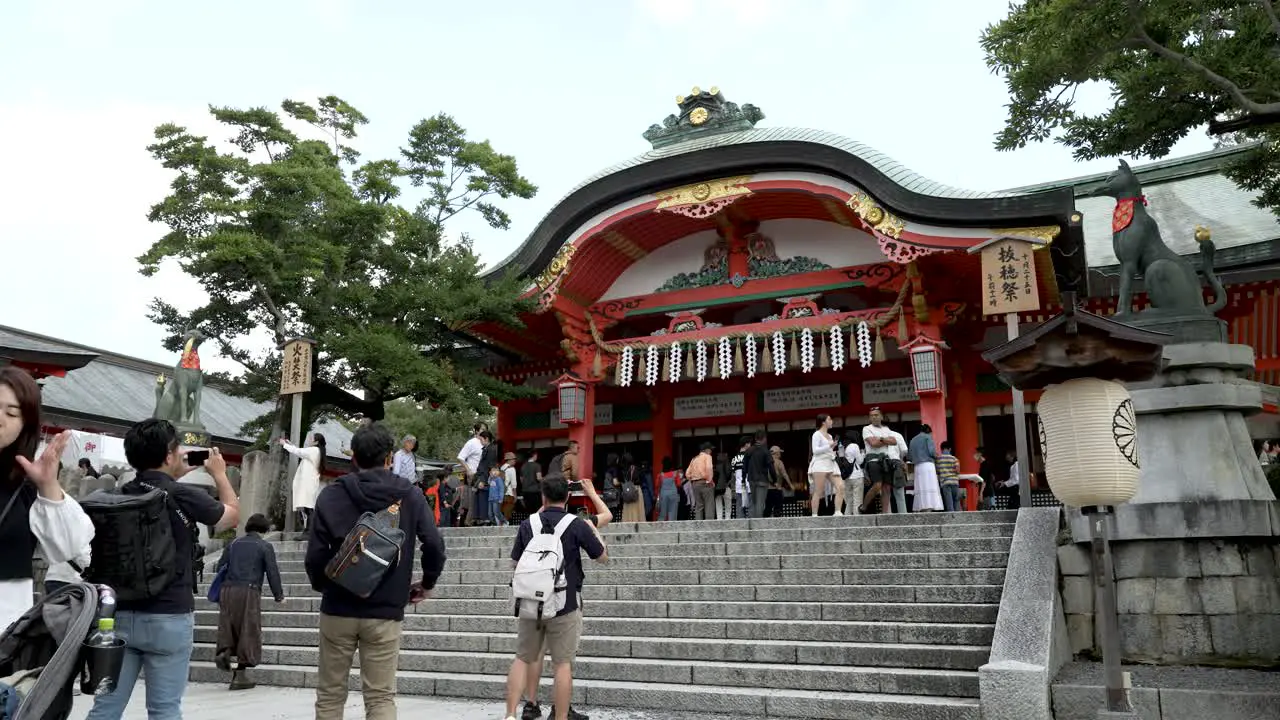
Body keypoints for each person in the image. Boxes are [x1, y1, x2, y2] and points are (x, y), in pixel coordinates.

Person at [86, 418, 239, 720]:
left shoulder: (115, 496)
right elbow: (230, 518)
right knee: (165, 709)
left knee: (106, 708)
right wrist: (219, 475)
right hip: (169, 615)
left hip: (117, 617)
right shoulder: (180, 495)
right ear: (169, 455)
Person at [305, 423, 447, 720]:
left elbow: (315, 554)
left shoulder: (331, 495)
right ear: (389, 458)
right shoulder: (409, 495)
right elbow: (433, 543)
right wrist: (428, 582)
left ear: (353, 457)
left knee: (330, 694)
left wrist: (327, 585)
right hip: (385, 609)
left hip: (337, 608)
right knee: (381, 697)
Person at [502, 474, 608, 720]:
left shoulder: (528, 524)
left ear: (543, 496)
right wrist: (597, 534)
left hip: (531, 601)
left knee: (522, 658)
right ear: (568, 496)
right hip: (566, 601)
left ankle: (510, 715)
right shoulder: (577, 523)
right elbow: (601, 557)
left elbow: (514, 563)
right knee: (562, 664)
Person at [0, 367, 95, 631]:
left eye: (11, 413)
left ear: (24, 427)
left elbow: (70, 548)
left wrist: (48, 486)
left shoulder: (26, 488)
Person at [213, 512, 284, 690]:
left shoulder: (233, 544)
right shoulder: (265, 546)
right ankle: (240, 675)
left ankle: (225, 651)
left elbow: (220, 566)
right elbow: (272, 572)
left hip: (227, 591)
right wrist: (279, 596)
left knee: (229, 627)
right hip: (248, 591)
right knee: (248, 629)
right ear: (264, 529)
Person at [860, 408, 907, 514]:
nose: (874, 417)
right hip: (873, 460)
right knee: (877, 485)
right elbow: (873, 443)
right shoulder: (866, 428)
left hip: (886, 461)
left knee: (886, 487)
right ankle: (864, 506)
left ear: (881, 416)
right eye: (872, 415)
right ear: (869, 418)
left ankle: (885, 513)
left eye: (876, 415)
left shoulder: (886, 429)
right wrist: (885, 440)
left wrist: (880, 439)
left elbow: (894, 441)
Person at [279, 432, 326, 533]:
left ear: (316, 441)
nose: (309, 439)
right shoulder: (315, 450)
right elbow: (301, 451)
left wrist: (285, 445)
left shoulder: (314, 450)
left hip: (308, 482)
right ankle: (309, 530)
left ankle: (309, 531)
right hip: (309, 482)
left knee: (308, 506)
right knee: (307, 506)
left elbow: (299, 452)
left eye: (311, 438)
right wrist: (291, 445)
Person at [808, 414, 842, 517]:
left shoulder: (830, 436)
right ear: (823, 422)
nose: (831, 421)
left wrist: (833, 449)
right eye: (829, 419)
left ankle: (837, 511)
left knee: (840, 486)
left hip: (830, 462)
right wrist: (829, 446)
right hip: (820, 463)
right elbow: (815, 450)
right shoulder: (816, 434)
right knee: (818, 490)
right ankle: (814, 514)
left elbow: (828, 450)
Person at [909, 425, 944, 512]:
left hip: (917, 466)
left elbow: (909, 455)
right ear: (929, 431)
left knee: (921, 486)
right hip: (928, 464)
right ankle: (930, 505)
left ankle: (921, 506)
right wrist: (937, 456)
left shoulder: (913, 440)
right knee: (929, 484)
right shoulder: (928, 437)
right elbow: (932, 451)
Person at [745, 430, 776, 519]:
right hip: (762, 480)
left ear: (755, 439)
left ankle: (752, 523)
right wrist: (775, 480)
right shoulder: (765, 451)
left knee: (753, 502)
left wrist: (746, 477)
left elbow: (745, 467)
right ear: (764, 439)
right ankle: (758, 525)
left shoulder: (749, 451)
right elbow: (771, 467)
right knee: (760, 503)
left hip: (751, 480)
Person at [685, 442, 715, 521]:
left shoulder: (694, 459)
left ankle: (698, 525)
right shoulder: (707, 456)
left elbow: (687, 474)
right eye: (711, 449)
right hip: (705, 482)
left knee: (699, 505)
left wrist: (693, 479)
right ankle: (709, 524)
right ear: (707, 450)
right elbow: (709, 468)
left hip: (695, 484)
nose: (711, 451)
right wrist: (710, 480)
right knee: (709, 504)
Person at [841, 432, 863, 515]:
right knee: (857, 501)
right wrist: (863, 454)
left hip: (847, 477)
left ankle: (847, 520)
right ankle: (856, 521)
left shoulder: (843, 447)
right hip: (856, 476)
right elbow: (860, 461)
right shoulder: (854, 446)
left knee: (849, 502)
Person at [766, 446, 792, 518]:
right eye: (779, 452)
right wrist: (790, 484)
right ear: (776, 453)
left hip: (767, 490)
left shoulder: (765, 462)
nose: (780, 454)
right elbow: (784, 474)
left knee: (767, 508)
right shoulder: (779, 462)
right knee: (778, 509)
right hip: (777, 489)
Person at [654, 457, 683, 522]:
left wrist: (656, 496)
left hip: (663, 495)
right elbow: (679, 484)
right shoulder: (675, 474)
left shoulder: (660, 475)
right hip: (673, 495)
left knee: (662, 514)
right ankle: (672, 528)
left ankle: (661, 528)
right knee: (672, 513)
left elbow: (657, 486)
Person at [936, 441, 962, 512]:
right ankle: (958, 520)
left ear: (941, 449)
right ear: (950, 449)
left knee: (949, 503)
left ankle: (952, 520)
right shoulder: (955, 459)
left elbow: (937, 471)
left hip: (945, 483)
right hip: (954, 482)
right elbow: (957, 471)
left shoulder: (938, 459)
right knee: (956, 502)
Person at [620, 453, 646, 523]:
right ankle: (636, 521)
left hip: (627, 491)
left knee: (628, 508)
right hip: (635, 489)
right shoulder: (635, 468)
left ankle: (628, 521)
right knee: (636, 508)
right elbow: (639, 479)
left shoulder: (623, 470)